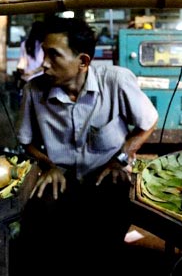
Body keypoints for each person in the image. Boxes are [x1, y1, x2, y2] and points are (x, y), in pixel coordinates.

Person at [14, 16, 159, 276]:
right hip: (62, 174)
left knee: (114, 207)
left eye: (54, 55)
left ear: (83, 62)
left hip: (105, 171)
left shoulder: (116, 81)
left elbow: (148, 121)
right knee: (39, 218)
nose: (44, 63)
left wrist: (122, 157)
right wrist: (48, 165)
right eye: (44, 53)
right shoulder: (34, 90)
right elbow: (26, 142)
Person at [15, 21, 44, 85]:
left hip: (27, 78)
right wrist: (32, 72)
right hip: (40, 79)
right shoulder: (44, 45)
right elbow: (43, 65)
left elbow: (21, 62)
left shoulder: (25, 44)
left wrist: (24, 73)